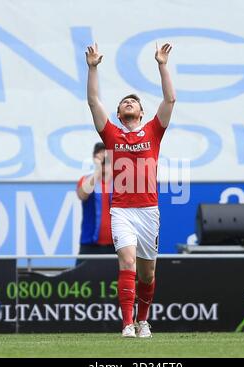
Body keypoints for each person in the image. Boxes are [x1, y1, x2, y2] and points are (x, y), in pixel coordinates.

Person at [86, 42, 175, 337]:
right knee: (127, 261)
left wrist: (162, 65)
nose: (128, 102)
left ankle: (143, 320)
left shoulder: (153, 130)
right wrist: (93, 68)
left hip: (149, 211)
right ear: (118, 112)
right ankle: (127, 323)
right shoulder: (111, 134)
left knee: (147, 273)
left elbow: (170, 99)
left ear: (140, 111)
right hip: (122, 210)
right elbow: (93, 100)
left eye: (133, 101)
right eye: (124, 101)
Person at [76, 142, 115, 265]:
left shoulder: (121, 182)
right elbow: (82, 195)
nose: (104, 161)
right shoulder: (87, 180)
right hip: (90, 245)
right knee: (82, 282)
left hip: (117, 245)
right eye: (101, 158)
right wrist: (97, 169)